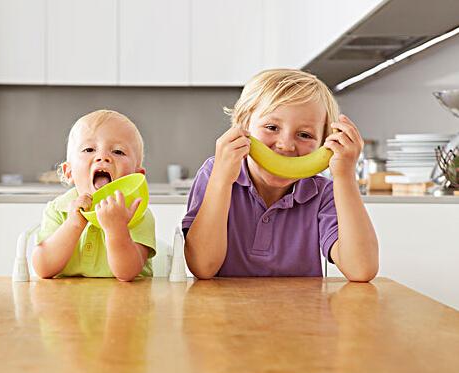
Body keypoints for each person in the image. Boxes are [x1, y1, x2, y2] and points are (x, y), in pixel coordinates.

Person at [182, 69, 378, 281]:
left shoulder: (323, 193)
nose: (286, 145)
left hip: (300, 311)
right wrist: (221, 181)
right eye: (272, 127)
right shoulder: (215, 173)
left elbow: (361, 270)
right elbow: (202, 267)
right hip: (224, 311)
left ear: (323, 144)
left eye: (304, 135)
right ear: (243, 126)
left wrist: (344, 176)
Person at [32, 110, 156, 281]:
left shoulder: (137, 212)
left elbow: (127, 273)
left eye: (118, 152)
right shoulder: (58, 209)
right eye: (89, 149)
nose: (103, 157)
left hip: (125, 303)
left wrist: (116, 229)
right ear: (69, 172)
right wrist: (73, 225)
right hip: (65, 303)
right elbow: (43, 268)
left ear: (137, 176)